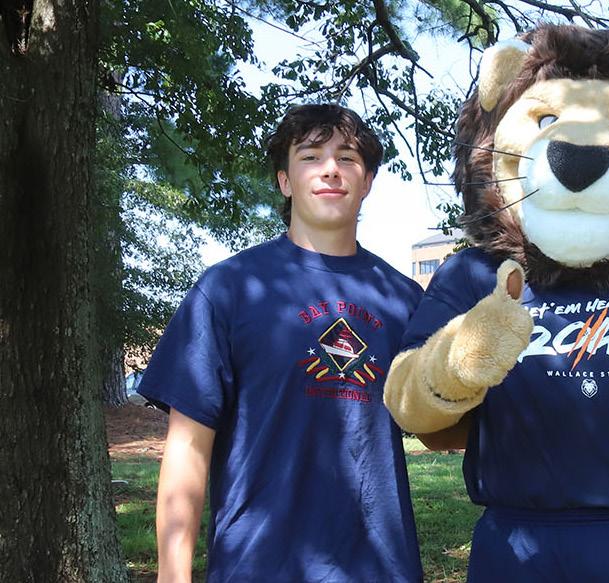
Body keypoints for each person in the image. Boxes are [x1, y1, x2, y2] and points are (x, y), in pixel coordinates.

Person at [138, 104, 425, 582]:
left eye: (348, 158)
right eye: (311, 156)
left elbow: (440, 431)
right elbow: (188, 447)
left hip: (380, 569)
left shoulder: (405, 300)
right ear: (285, 181)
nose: (331, 169)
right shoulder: (228, 289)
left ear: (368, 182)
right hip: (257, 566)